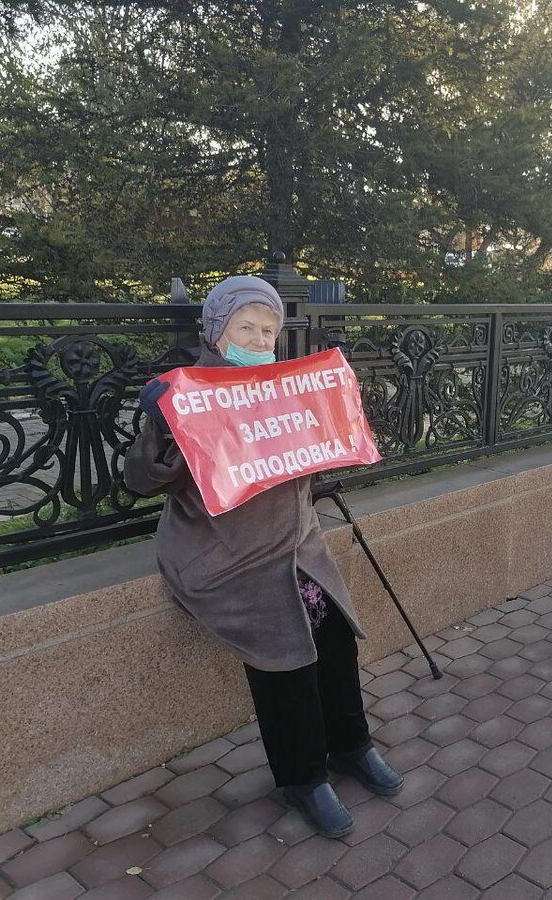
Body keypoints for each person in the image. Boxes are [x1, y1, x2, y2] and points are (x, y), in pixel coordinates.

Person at [123, 275, 402, 839]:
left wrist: (328, 436)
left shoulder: (284, 385)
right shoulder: (190, 392)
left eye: (267, 329)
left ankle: (352, 746)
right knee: (284, 653)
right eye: (244, 327)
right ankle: (303, 779)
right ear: (217, 329)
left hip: (296, 541)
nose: (256, 337)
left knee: (335, 637)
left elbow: (305, 457)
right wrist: (164, 427)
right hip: (224, 552)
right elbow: (141, 481)